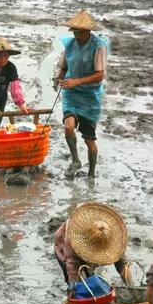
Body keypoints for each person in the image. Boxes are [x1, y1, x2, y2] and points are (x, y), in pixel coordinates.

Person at [54, 10, 108, 178]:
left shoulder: (99, 46)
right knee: (68, 126)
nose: (77, 36)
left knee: (89, 140)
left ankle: (91, 174)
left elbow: (100, 75)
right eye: (74, 32)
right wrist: (58, 79)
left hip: (90, 97)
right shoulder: (69, 44)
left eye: (80, 33)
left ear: (88, 31)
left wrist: (77, 81)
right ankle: (76, 160)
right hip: (72, 94)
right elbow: (63, 67)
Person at [54, 202, 134, 293]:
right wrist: (72, 286)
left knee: (90, 277)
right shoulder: (72, 238)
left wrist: (131, 287)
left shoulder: (115, 237)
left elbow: (122, 264)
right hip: (63, 248)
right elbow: (72, 264)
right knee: (79, 287)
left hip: (89, 246)